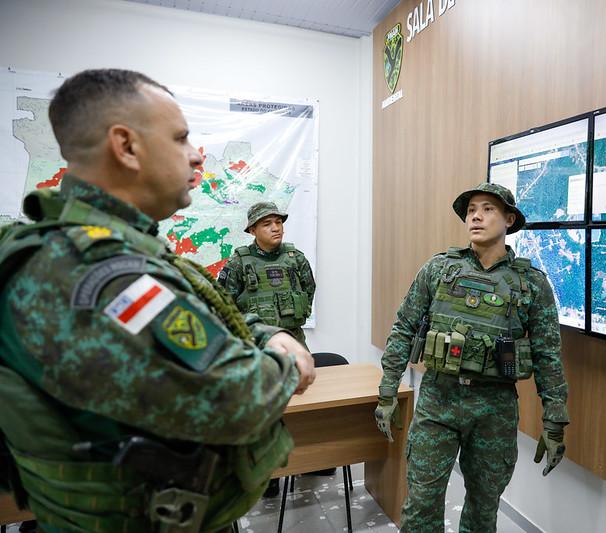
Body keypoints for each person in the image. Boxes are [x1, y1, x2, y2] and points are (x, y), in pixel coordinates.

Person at [0, 69, 315, 532]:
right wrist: (287, 364)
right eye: (181, 138)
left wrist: (267, 332)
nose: (196, 155)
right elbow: (235, 399)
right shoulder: (98, 273)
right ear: (126, 146)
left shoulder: (95, 247)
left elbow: (205, 308)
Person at [374, 182, 569, 532]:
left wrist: (554, 422)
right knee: (421, 506)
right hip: (438, 401)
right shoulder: (438, 270)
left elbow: (547, 354)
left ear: (509, 219)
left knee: (483, 509)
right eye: (470, 210)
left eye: (488, 209)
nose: (476, 216)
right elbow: (403, 328)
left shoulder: (531, 285)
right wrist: (388, 391)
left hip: (493, 409)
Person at [218, 202, 315, 349]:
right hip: (256, 344)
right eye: (267, 224)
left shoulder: (296, 258)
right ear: (252, 230)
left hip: (294, 341)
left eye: (278, 222)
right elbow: (223, 305)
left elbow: (309, 290)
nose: (275, 228)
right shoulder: (238, 263)